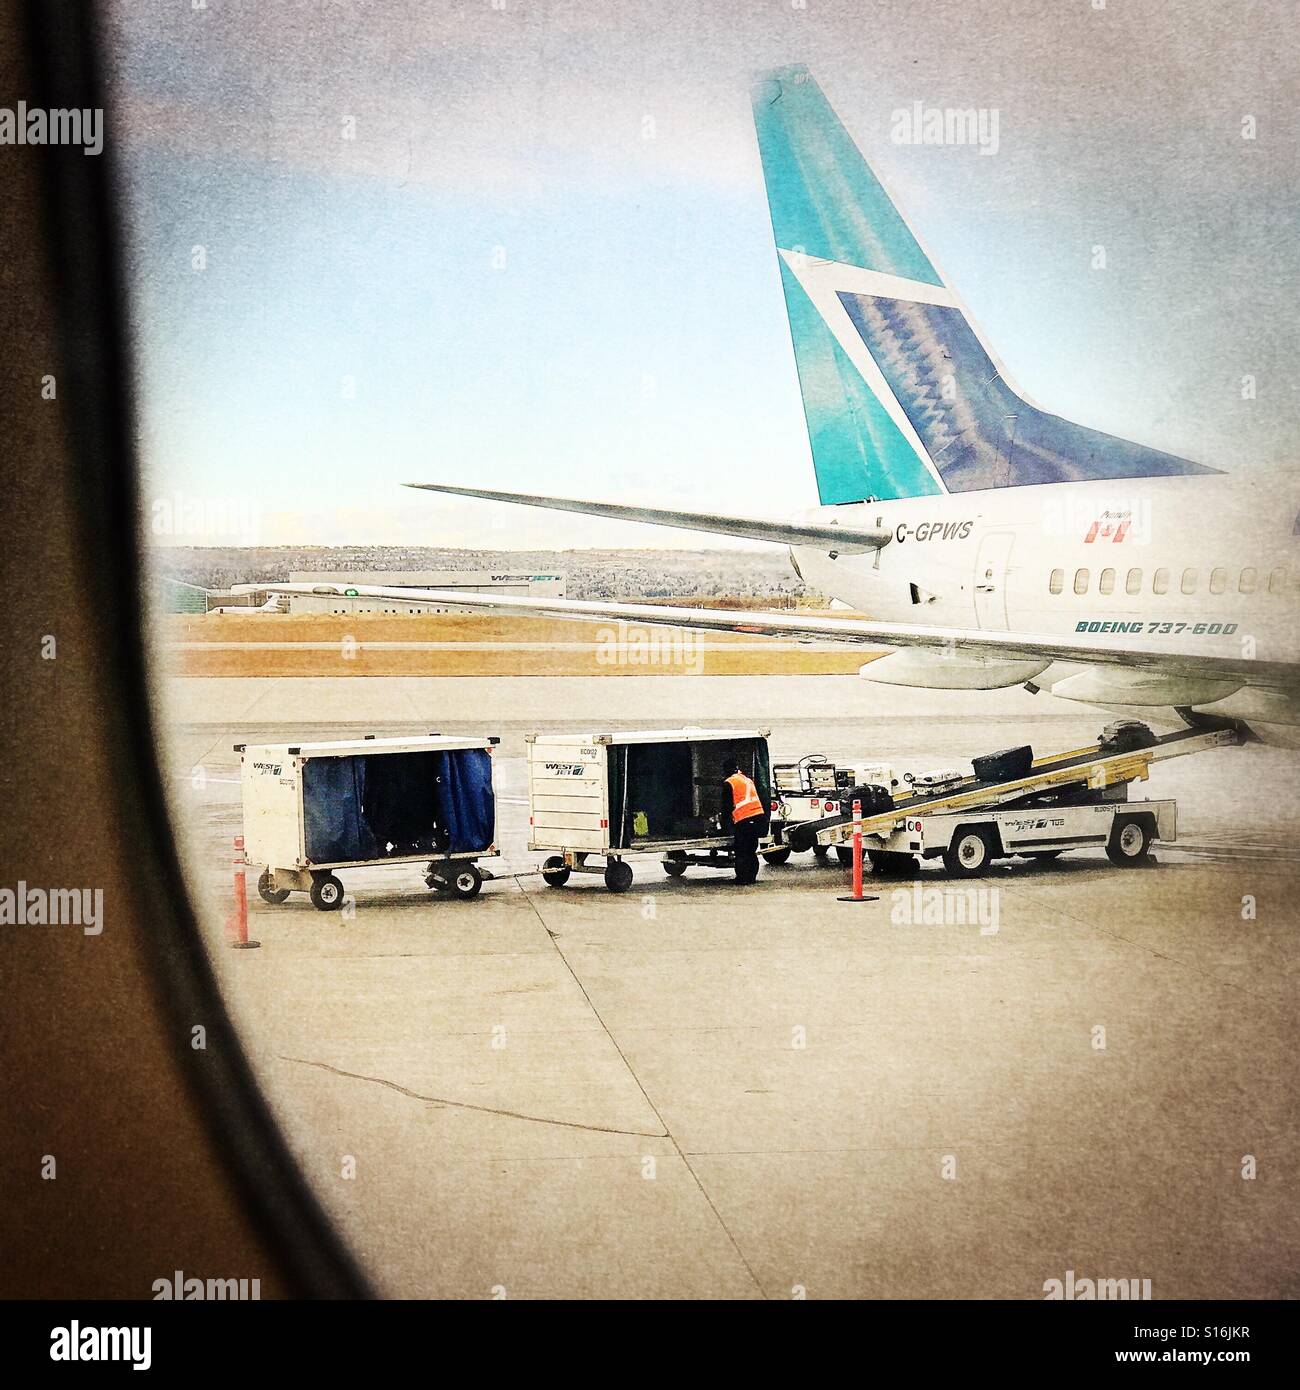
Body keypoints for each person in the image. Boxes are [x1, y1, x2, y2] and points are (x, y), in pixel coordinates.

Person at [720, 756, 764, 884]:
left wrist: (724, 824)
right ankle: (751, 877)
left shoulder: (729, 782)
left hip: (744, 819)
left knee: (741, 851)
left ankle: (742, 878)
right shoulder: (747, 780)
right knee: (751, 850)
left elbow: (727, 806)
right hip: (757, 817)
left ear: (726, 770)